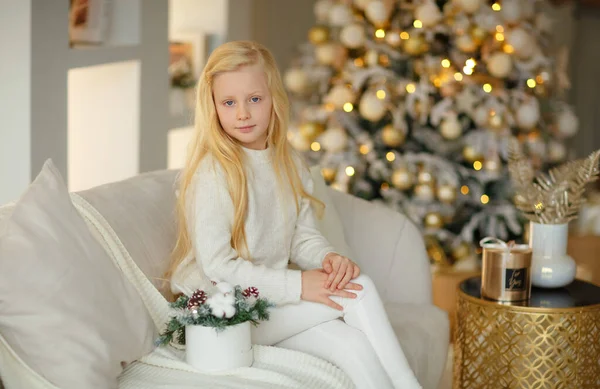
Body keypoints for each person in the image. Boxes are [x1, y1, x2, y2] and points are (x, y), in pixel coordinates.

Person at [164, 40, 421, 389]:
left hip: (269, 304)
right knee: (359, 290)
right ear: (213, 108)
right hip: (230, 317)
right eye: (229, 102)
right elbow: (218, 267)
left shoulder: (288, 162)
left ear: (274, 99)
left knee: (353, 345)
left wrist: (328, 258)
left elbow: (301, 236)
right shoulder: (214, 173)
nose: (243, 113)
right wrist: (299, 284)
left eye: (254, 99)